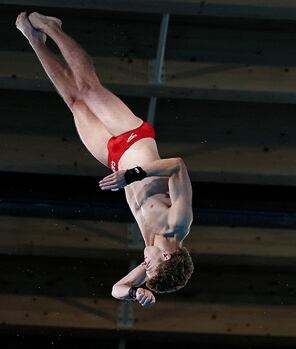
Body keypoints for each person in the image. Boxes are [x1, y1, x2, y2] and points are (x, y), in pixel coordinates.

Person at [16, 12, 194, 308]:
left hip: (113, 159)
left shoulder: (153, 251)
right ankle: (52, 28)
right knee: (88, 87)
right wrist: (133, 174)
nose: (143, 264)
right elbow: (178, 165)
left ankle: (35, 41)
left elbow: (117, 288)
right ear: (167, 256)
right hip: (134, 138)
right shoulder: (178, 223)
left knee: (74, 102)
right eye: (148, 267)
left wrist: (135, 293)